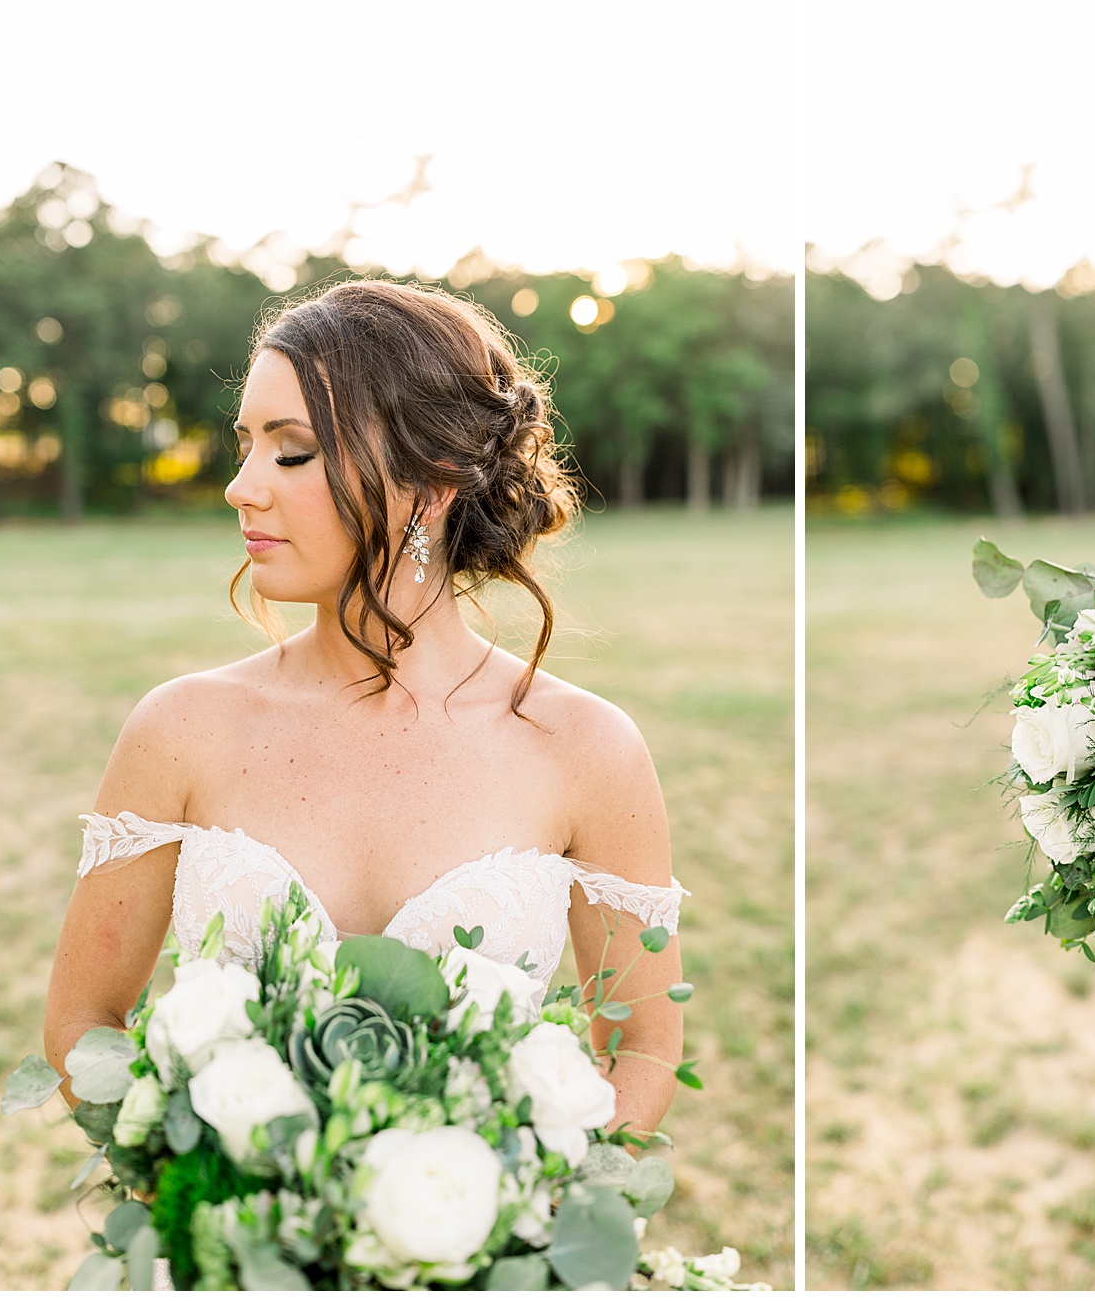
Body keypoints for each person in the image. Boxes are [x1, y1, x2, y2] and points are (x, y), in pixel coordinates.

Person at [43, 279, 686, 1140]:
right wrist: (212, 1202)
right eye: (245, 448)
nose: (241, 488)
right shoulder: (180, 731)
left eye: (291, 451)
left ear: (431, 480)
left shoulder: (587, 749)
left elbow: (641, 1046)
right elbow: (82, 1026)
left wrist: (514, 1224)